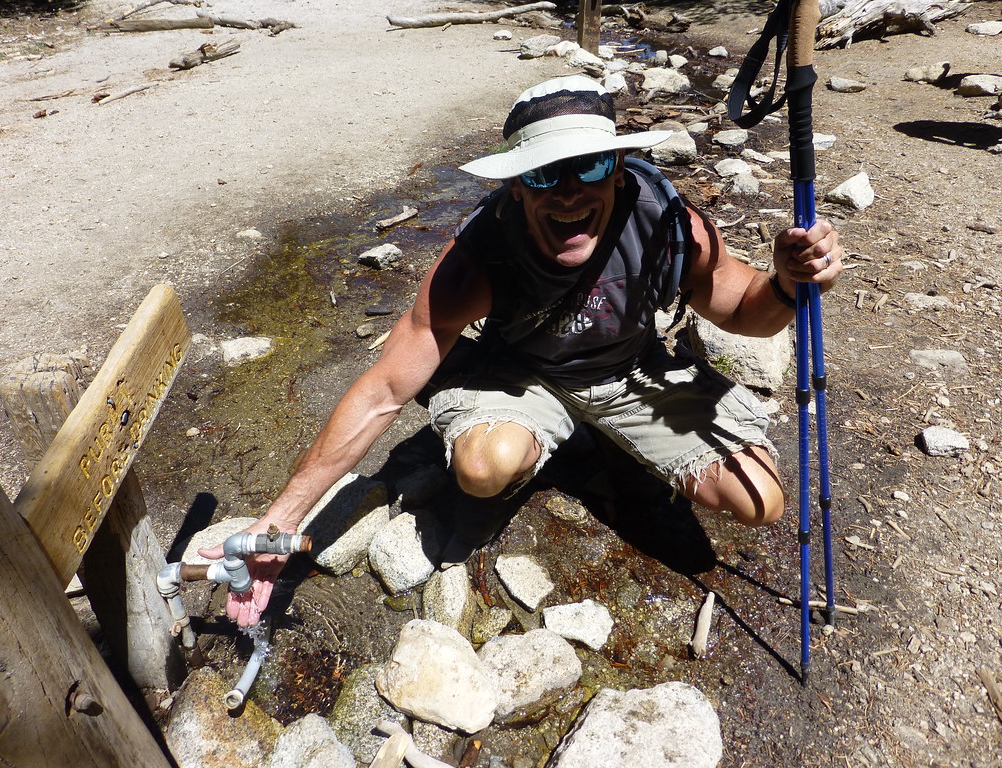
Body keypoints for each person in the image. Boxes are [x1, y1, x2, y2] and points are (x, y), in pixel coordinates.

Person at [200, 75, 844, 627]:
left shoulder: (667, 222)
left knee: (761, 501)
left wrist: (789, 281)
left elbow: (743, 311)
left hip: (632, 372)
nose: (567, 192)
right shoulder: (478, 257)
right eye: (543, 173)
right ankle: (559, 449)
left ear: (619, 170)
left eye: (590, 166)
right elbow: (384, 392)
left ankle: (607, 447)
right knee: (484, 469)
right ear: (515, 186)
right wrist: (282, 522)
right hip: (522, 375)